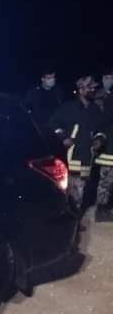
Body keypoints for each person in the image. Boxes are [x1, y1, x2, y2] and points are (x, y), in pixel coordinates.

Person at [49, 74, 107, 211]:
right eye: (89, 88)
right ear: (81, 90)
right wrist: (63, 137)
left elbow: (102, 128)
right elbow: (53, 123)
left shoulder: (95, 109)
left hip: (87, 158)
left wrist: (99, 139)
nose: (92, 90)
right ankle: (69, 215)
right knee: (70, 191)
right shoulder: (68, 107)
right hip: (71, 156)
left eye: (93, 88)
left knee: (81, 191)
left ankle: (75, 215)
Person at [93, 69, 113, 220]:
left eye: (111, 78)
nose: (109, 80)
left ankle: (105, 209)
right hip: (107, 147)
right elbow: (100, 122)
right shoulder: (100, 97)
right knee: (105, 181)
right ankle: (101, 210)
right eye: (107, 78)